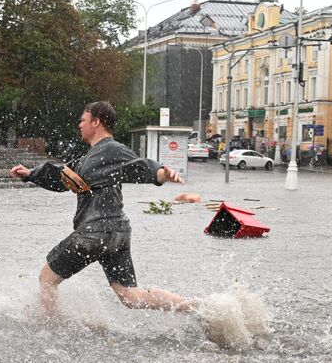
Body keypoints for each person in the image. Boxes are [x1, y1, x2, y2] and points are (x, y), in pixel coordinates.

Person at [10, 101, 195, 315]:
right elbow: (63, 176)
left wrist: (162, 173)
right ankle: (194, 307)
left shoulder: (112, 149)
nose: (79, 124)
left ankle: (50, 329)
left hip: (94, 233)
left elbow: (140, 166)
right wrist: (31, 174)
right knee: (130, 296)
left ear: (96, 122)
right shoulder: (90, 156)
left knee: (46, 279)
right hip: (117, 235)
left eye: (83, 120)